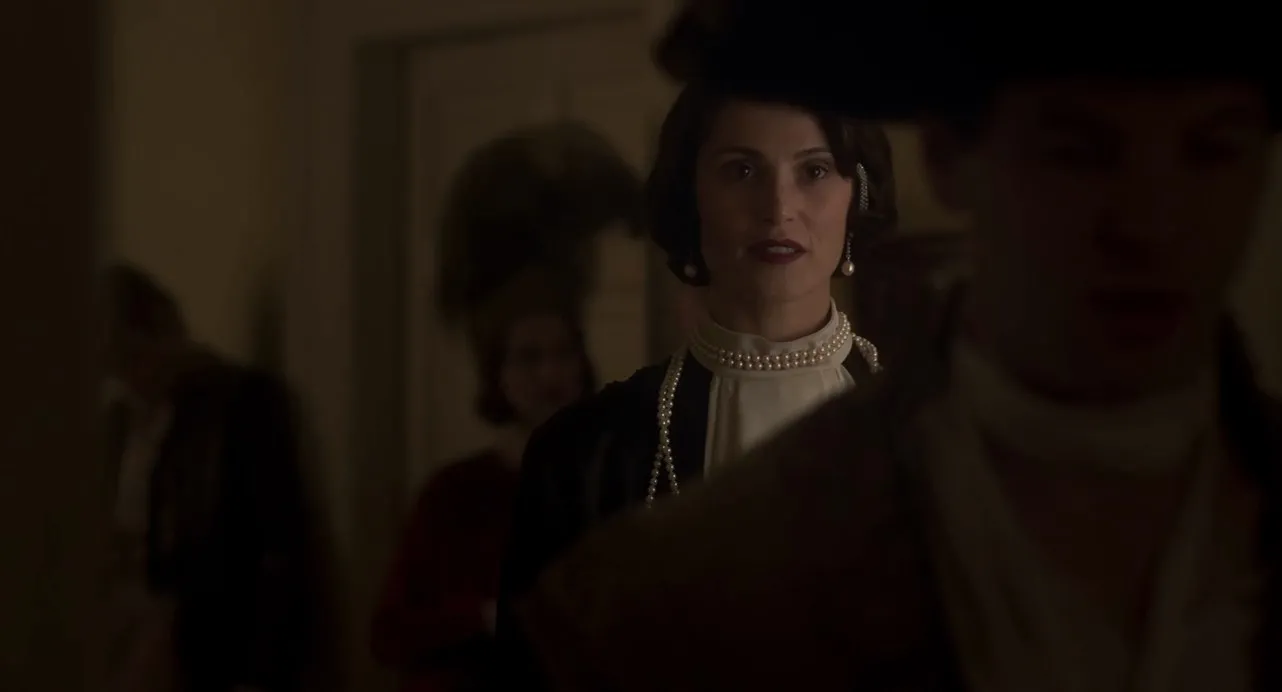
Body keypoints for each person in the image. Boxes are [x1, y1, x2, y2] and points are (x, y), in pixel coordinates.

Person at [509, 2, 1282, 691]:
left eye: (1213, 150)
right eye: (1076, 151)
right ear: (948, 156)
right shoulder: (666, 586)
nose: (1151, 225)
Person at [495, 55, 897, 687]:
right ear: (691, 198)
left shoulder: (935, 431)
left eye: (814, 170)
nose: (778, 207)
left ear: (858, 195)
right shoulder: (584, 456)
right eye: (742, 170)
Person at [369, 272, 597, 692]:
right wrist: (485, 617)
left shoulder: (609, 483)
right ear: (498, 374)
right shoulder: (453, 493)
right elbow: (391, 633)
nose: (550, 374)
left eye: (564, 354)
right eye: (528, 358)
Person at [101, 263, 310, 692]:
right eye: (116, 367)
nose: (131, 380)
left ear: (164, 328)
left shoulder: (242, 404)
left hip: (209, 643)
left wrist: (261, 670)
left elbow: (281, 546)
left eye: (132, 358)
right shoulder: (121, 425)